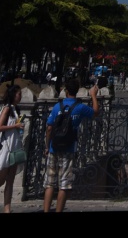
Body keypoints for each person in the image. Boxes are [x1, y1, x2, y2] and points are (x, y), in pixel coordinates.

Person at [42, 78, 100, 212]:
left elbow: (49, 127)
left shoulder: (58, 106)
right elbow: (96, 112)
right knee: (64, 184)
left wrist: (47, 145)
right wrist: (93, 95)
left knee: (49, 183)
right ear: (77, 90)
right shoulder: (79, 107)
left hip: (53, 147)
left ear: (65, 91)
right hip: (68, 148)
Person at [0, 84, 27, 213]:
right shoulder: (7, 109)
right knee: (0, 180)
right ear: (13, 95)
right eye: (19, 94)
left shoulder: (15, 109)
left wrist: (18, 126)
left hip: (14, 147)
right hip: (6, 148)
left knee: (10, 181)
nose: (20, 97)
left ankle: (7, 208)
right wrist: (15, 126)